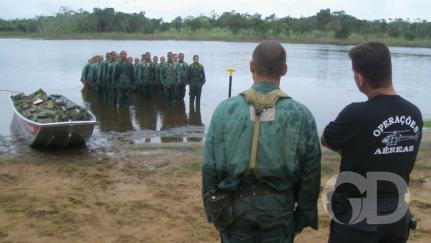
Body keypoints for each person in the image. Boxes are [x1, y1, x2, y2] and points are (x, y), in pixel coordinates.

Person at [202, 40, 321, 243]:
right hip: (279, 210)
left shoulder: (224, 110)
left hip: (235, 208)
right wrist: (304, 214)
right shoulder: (301, 115)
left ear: (251, 67)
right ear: (284, 70)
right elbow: (311, 173)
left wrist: (213, 206)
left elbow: (209, 166)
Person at [322, 42, 423, 243]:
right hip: (396, 212)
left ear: (360, 78)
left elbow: (327, 139)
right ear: (388, 72)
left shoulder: (356, 113)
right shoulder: (414, 113)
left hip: (358, 215)